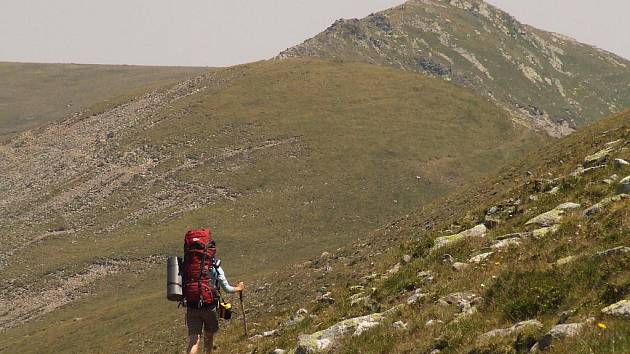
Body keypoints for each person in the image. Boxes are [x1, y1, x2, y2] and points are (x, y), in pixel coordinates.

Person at [186, 261, 245, 354]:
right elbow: (227, 289)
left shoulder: (189, 266)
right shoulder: (215, 267)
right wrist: (239, 288)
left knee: (194, 340)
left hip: (192, 306)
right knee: (208, 336)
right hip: (209, 306)